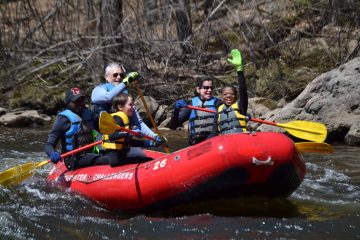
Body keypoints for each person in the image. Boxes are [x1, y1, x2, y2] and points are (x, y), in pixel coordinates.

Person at [91, 62, 165, 145]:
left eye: (121, 75)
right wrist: (125, 82)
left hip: (121, 140)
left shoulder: (124, 96)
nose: (119, 77)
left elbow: (138, 122)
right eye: (115, 75)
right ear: (107, 77)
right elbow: (107, 97)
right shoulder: (99, 89)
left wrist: (154, 136)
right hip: (102, 140)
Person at [44, 87, 109, 170]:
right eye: (76, 101)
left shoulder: (89, 115)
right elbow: (49, 145)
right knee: (106, 159)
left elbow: (105, 130)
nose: (80, 104)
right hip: (73, 159)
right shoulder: (63, 119)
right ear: (68, 103)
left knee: (114, 155)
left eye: (82, 100)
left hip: (90, 154)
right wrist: (52, 153)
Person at [102, 93, 161, 167]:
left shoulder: (126, 119)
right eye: (130, 104)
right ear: (120, 106)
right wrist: (131, 133)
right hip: (116, 159)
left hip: (122, 155)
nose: (133, 107)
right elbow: (112, 136)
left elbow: (128, 142)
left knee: (146, 159)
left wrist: (149, 143)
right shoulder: (117, 119)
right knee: (147, 160)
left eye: (133, 104)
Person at [207, 49, 249, 137]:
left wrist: (239, 70)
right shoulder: (218, 110)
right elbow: (214, 132)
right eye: (226, 94)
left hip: (241, 140)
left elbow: (243, 90)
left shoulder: (241, 107)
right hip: (226, 144)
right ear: (222, 96)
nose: (229, 96)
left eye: (232, 94)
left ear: (236, 96)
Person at [169, 76, 222, 146]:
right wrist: (176, 111)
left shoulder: (218, 103)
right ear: (198, 89)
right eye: (206, 88)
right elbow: (173, 126)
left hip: (213, 143)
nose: (209, 90)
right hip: (195, 145)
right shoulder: (192, 105)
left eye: (211, 88)